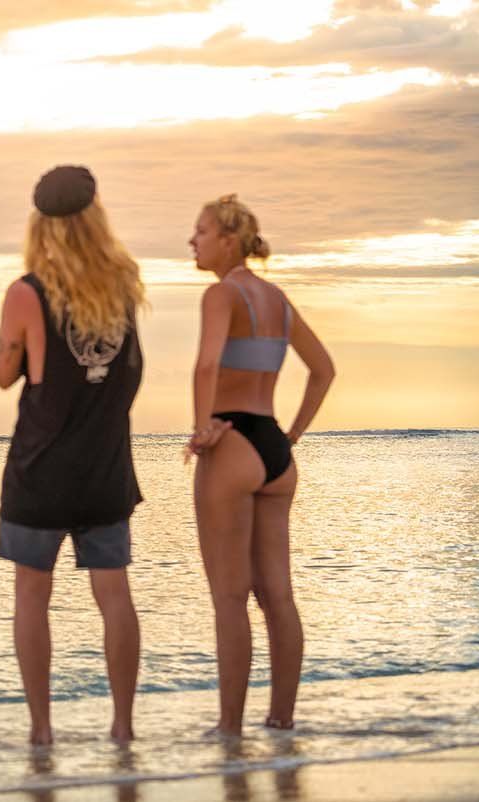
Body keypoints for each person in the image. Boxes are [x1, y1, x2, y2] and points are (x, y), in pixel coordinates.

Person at [0, 165, 145, 744]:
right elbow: (128, 376)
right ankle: (123, 727)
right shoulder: (124, 288)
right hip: (105, 467)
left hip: (41, 470)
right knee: (114, 595)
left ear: (41, 226)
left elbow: (5, 374)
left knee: (32, 596)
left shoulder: (27, 292)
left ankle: (41, 731)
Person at [185, 194, 335, 736]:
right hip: (273, 448)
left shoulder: (222, 293)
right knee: (278, 595)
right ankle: (282, 720)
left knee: (229, 597)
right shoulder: (277, 298)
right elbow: (324, 370)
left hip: (232, 442)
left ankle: (229, 729)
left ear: (227, 240)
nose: (192, 241)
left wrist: (203, 428)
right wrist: (290, 435)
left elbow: (206, 366)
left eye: (200, 232)